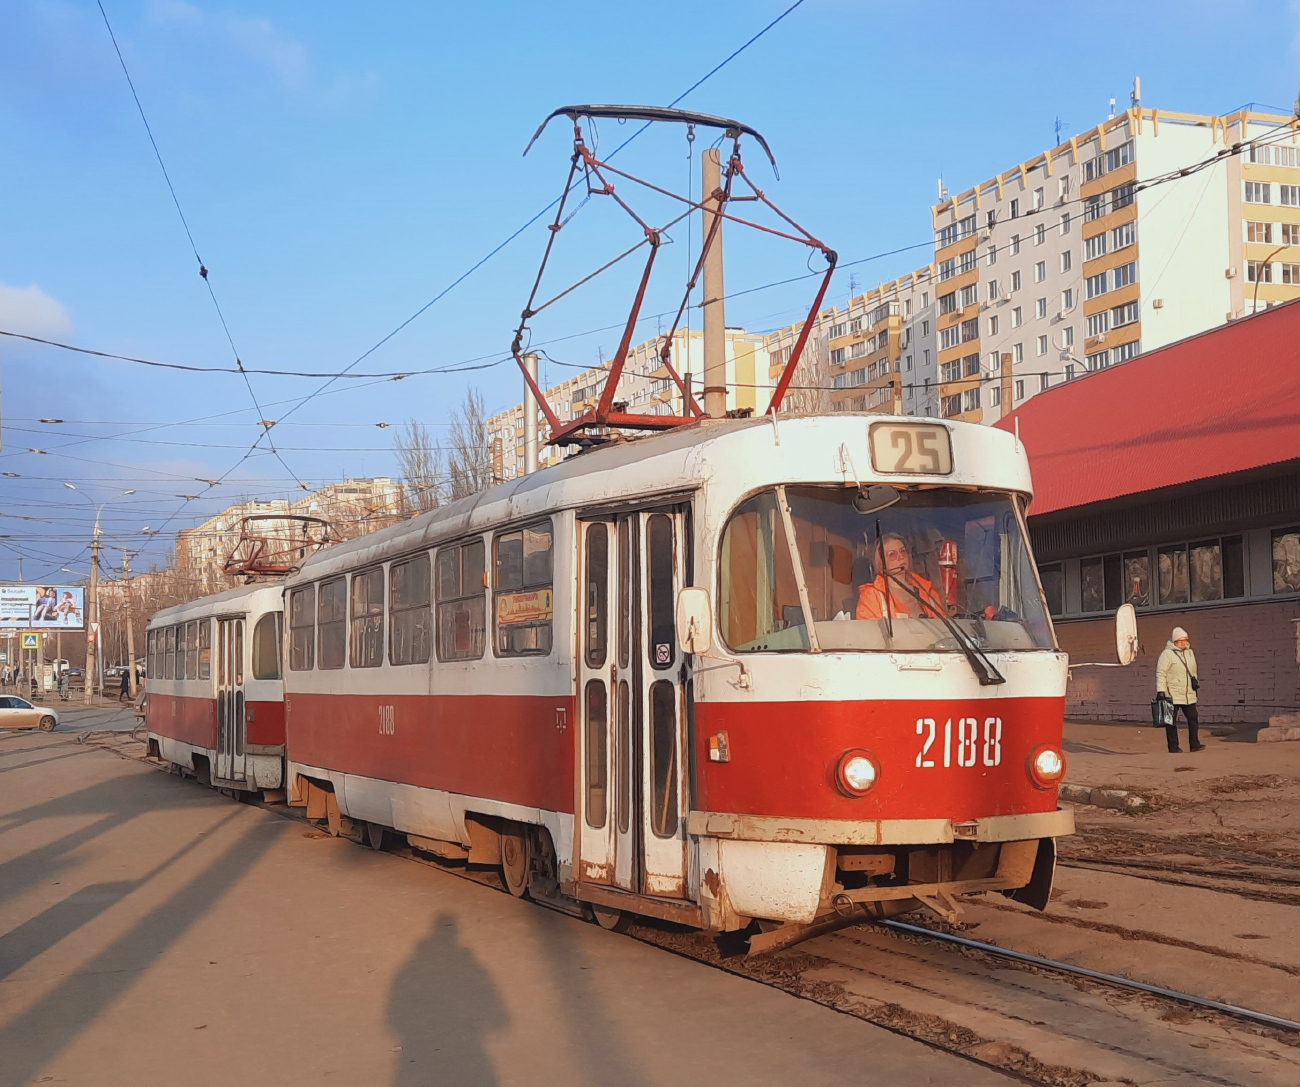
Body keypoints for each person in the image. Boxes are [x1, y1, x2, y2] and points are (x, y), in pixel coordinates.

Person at [856, 533, 947, 620]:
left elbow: (943, 628)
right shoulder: (872, 596)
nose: (900, 557)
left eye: (903, 551)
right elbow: (869, 632)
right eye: (892, 554)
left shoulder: (928, 591)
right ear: (881, 562)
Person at [1156, 626, 1202, 753]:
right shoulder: (1167, 654)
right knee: (1170, 721)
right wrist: (1161, 690)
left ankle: (1195, 744)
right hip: (1172, 693)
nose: (1184, 642)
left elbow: (1193, 670)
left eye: (1186, 639)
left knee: (1193, 718)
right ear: (1175, 641)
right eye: (1181, 640)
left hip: (1188, 693)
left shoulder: (1190, 653)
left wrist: (1194, 681)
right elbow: (1161, 673)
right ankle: (1173, 746)